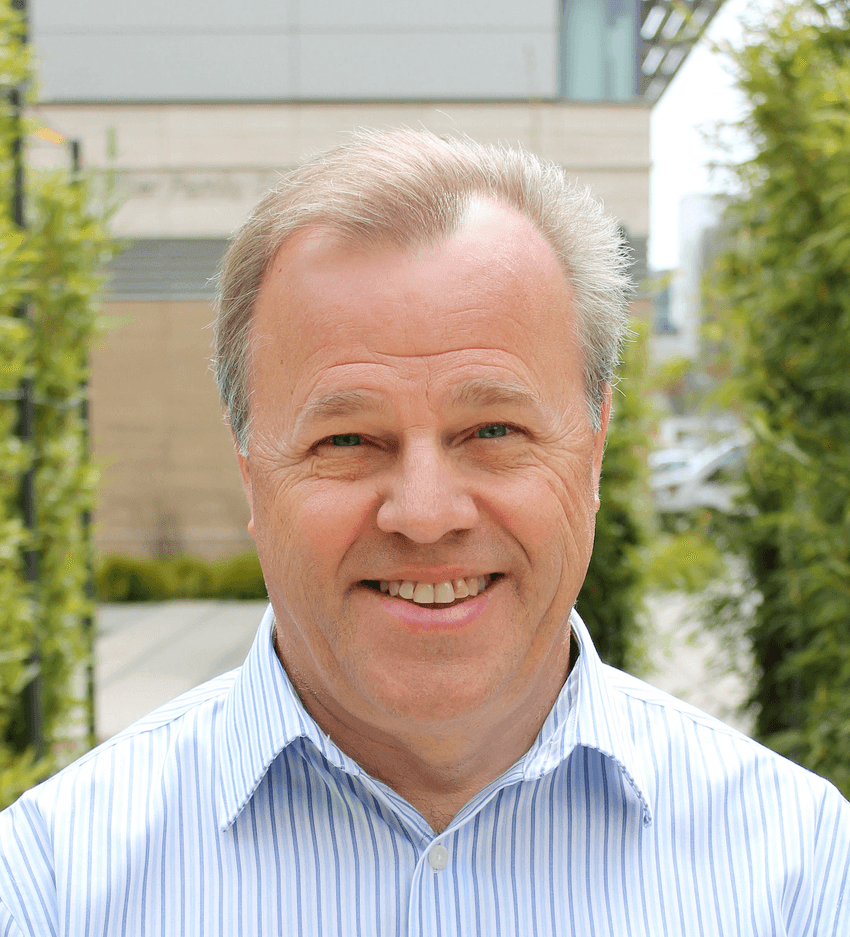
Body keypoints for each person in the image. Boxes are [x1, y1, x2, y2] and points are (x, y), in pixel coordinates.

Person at [1, 129, 848, 936]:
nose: (426, 513)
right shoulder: (50, 886)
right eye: (346, 439)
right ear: (249, 468)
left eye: (494, 430)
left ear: (594, 447)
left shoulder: (801, 873)